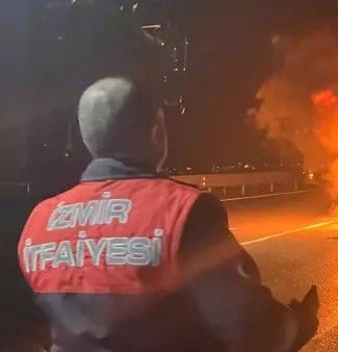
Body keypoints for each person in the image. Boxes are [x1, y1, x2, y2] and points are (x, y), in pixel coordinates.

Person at [17, 77, 318, 352]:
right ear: (156, 131)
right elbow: (250, 325)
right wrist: (298, 325)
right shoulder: (183, 211)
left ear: (87, 139)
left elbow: (26, 332)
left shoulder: (40, 220)